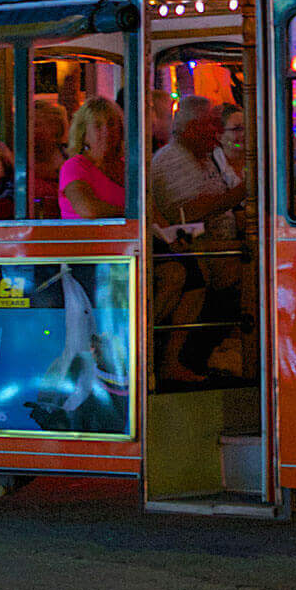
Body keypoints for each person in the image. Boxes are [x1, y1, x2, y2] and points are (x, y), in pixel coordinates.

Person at [148, 96, 248, 382]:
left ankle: (224, 349)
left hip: (212, 244)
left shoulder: (205, 157)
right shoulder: (173, 159)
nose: (217, 134)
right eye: (211, 126)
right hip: (193, 245)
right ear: (191, 127)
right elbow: (190, 212)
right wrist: (244, 190)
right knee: (251, 270)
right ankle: (212, 352)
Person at [58, 97, 126, 220]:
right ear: (83, 134)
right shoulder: (74, 166)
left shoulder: (128, 167)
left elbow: (152, 210)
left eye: (111, 124)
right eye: (98, 126)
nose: (106, 132)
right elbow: (88, 209)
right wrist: (133, 213)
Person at [28, 101, 69, 218]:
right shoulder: (17, 162)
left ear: (55, 128)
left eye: (36, 125)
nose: (31, 130)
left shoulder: (71, 157)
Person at [213, 103, 248, 185]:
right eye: (237, 129)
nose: (244, 133)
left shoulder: (258, 160)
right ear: (220, 137)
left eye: (247, 127)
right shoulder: (213, 165)